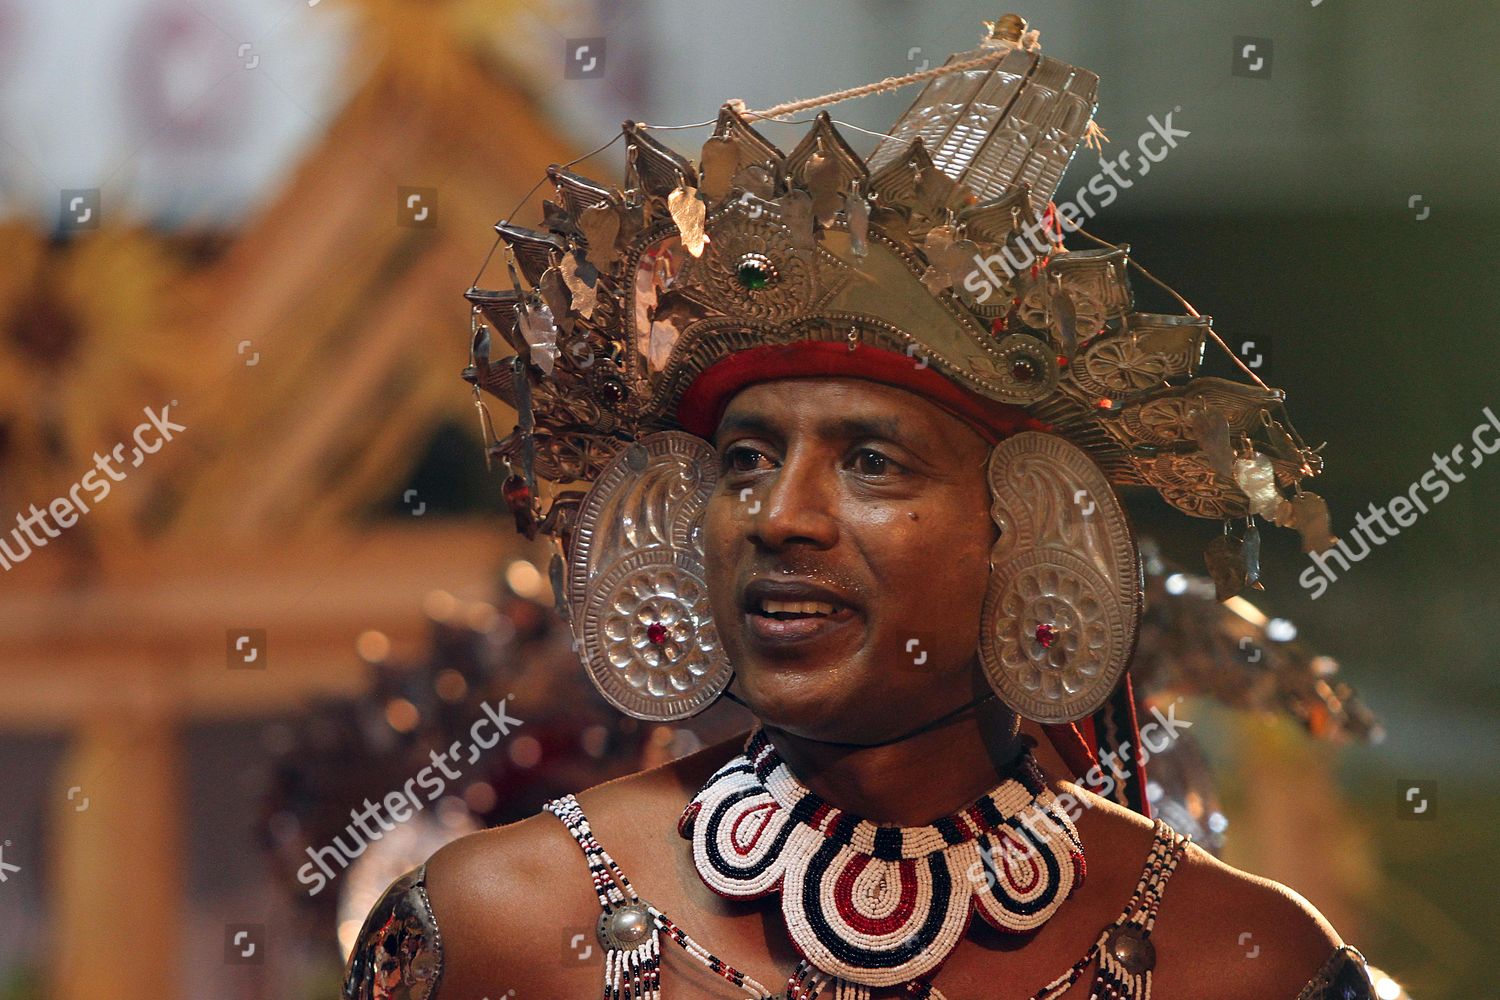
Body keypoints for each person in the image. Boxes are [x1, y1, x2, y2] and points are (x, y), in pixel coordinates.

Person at [342, 14, 1377, 999]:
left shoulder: (1244, 962)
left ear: (1024, 529)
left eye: (872, 462)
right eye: (745, 459)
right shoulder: (495, 928)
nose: (780, 517)